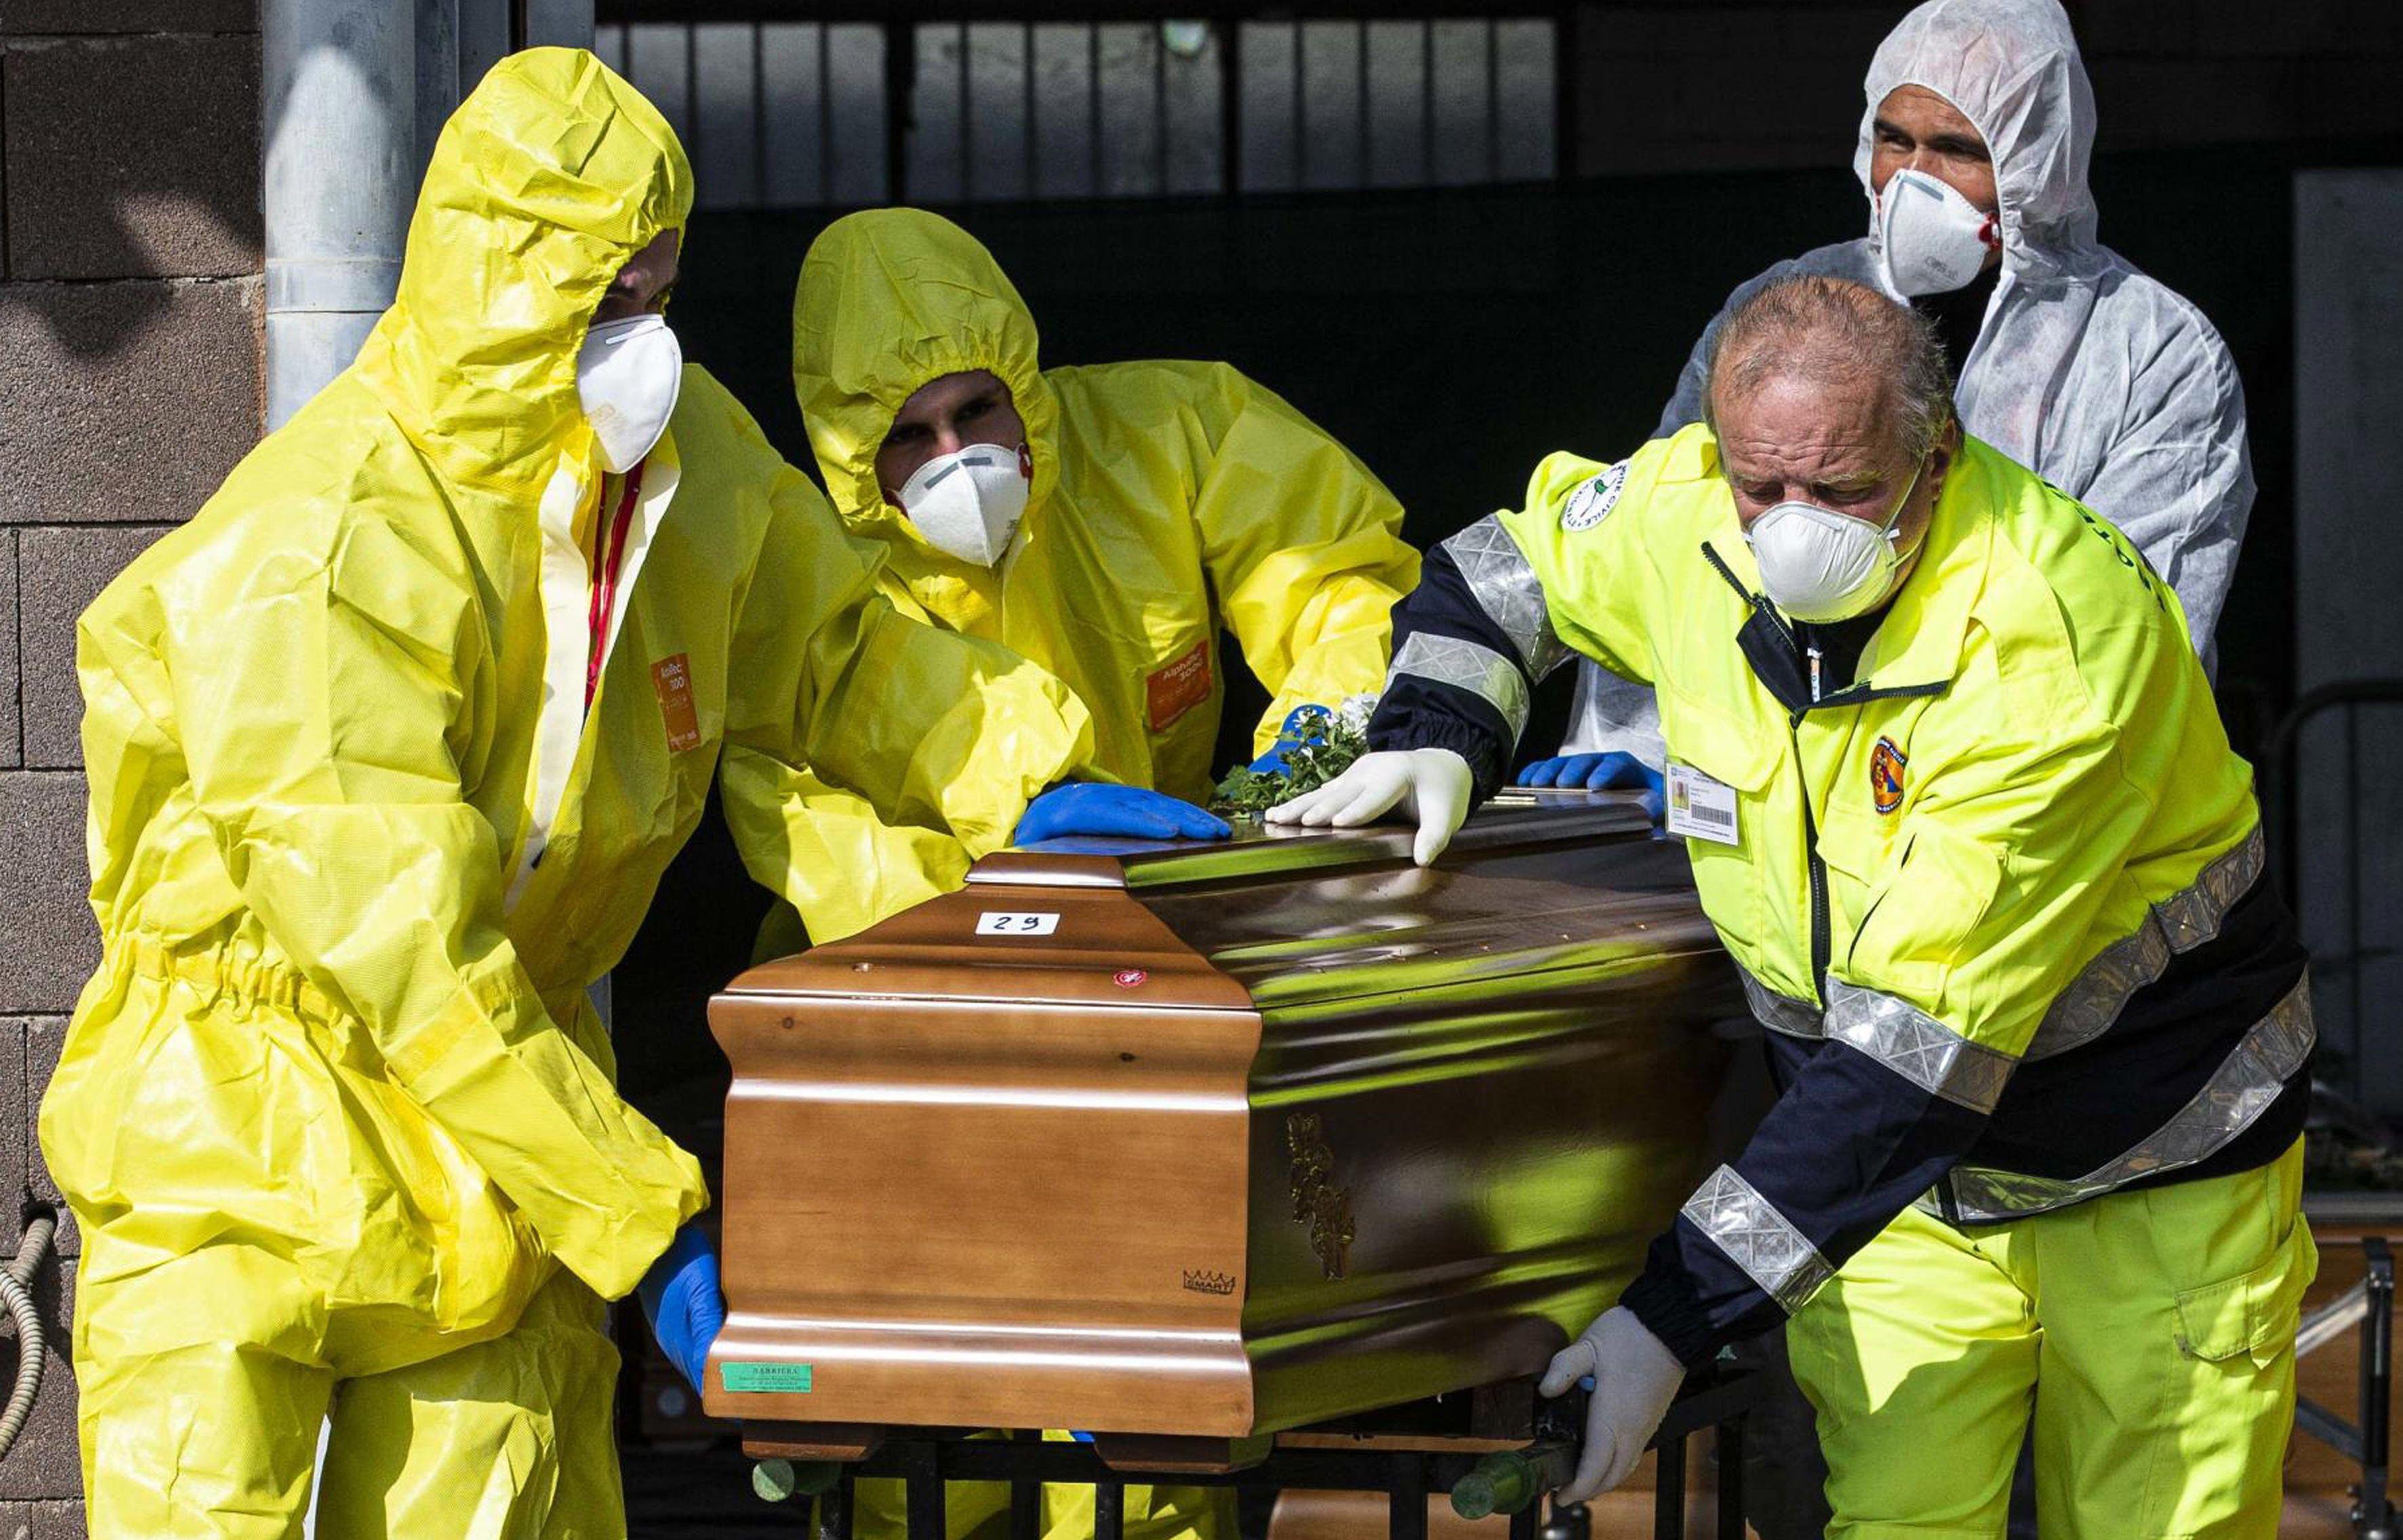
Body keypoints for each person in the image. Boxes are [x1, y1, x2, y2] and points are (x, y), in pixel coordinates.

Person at [42, 50, 1201, 1540]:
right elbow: (407, 954)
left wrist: (1032, 788)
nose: (639, 342)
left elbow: (841, 654)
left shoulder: (685, 460)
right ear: (499, 287)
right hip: (242, 1141)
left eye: (655, 293)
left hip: (503, 1154)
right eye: (603, 302)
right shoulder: (323, 547)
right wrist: (649, 1221)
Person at [1272, 275, 2314, 1537]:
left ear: (1938, 456)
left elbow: (1912, 1057)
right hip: (1893, 1196)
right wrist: (1440, 731)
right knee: (1895, 1518)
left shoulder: (2045, 637)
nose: (1789, 529)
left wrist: (1671, 1315)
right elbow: (1498, 575)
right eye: (1759, 487)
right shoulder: (1678, 508)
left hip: (2150, 1155)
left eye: (1841, 491)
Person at [1530, 0, 2254, 798]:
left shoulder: (2151, 350)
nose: (1914, 180)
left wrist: (1892, 787)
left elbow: (2125, 632)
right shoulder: (1788, 309)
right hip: (1782, 803)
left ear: (2038, 163)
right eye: (1893, 138)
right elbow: (1674, 540)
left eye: (1957, 149)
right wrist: (1664, 754)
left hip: (2040, 806)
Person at [728, 207, 1418, 956]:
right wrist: (1029, 913)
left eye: (977, 409)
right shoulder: (804, 569)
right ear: (849, 452)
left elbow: (1339, 586)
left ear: (1022, 386)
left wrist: (1320, 739)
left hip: (1177, 915)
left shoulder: (1174, 433)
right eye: (908, 436)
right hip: (896, 978)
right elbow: (827, 840)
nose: (955, 458)